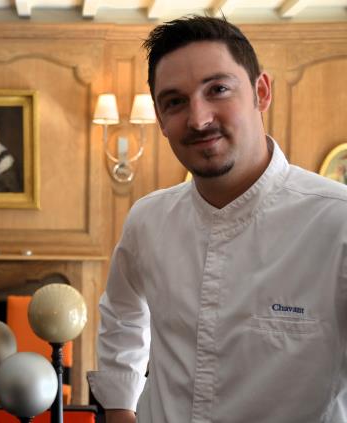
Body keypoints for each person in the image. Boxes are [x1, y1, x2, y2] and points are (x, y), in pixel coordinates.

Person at [87, 16, 347, 423]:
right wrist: (121, 410)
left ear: (261, 92)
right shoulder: (148, 219)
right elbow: (122, 313)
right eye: (175, 101)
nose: (199, 118)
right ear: (159, 118)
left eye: (218, 89)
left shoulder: (337, 223)